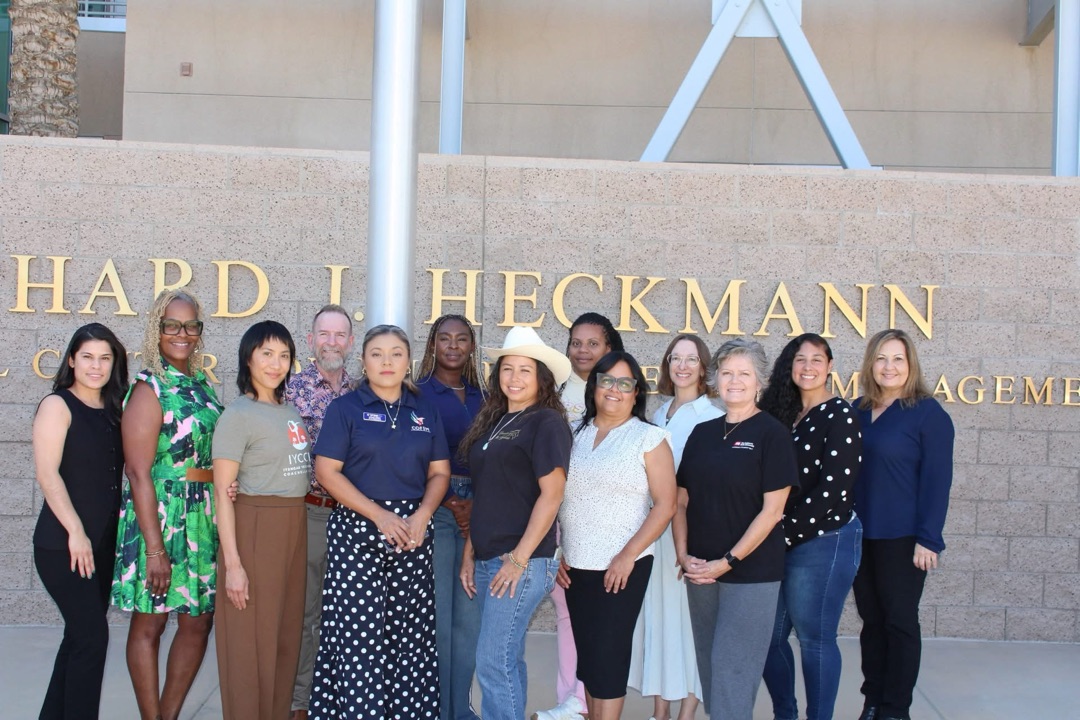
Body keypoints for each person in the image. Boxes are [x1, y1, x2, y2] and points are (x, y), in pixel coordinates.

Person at [310, 324, 450, 720]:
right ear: (363, 360)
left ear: (409, 362)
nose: (386, 362)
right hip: (358, 531)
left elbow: (439, 473)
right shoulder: (346, 408)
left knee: (410, 637)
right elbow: (326, 471)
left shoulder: (426, 410)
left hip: (413, 535)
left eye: (395, 354)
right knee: (359, 638)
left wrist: (422, 514)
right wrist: (379, 515)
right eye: (376, 353)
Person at [112, 290, 223, 720]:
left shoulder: (203, 386)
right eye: (172, 325)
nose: (183, 334)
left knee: (197, 621)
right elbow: (138, 472)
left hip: (203, 518)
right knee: (151, 621)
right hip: (158, 515)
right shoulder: (148, 387)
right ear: (157, 330)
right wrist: (155, 549)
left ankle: (169, 716)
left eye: (191, 325)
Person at [675, 338, 798, 720]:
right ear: (714, 379)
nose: (734, 381)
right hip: (700, 571)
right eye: (727, 372)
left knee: (733, 670)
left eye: (744, 374)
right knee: (712, 670)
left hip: (751, 574)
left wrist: (727, 561)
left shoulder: (772, 434)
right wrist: (683, 554)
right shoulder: (702, 433)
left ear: (759, 381)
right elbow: (680, 500)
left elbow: (772, 512)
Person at [459, 325, 573, 720]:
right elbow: (487, 495)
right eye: (508, 368)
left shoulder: (546, 423)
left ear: (541, 378)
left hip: (523, 560)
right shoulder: (493, 424)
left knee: (492, 660)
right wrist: (470, 553)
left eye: (525, 370)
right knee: (507, 658)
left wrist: (519, 559)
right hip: (492, 557)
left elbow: (552, 494)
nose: (515, 378)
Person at [557, 351, 677, 720]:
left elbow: (666, 505)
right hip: (576, 564)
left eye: (625, 383)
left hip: (622, 566)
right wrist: (559, 551)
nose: (614, 390)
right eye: (607, 380)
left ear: (636, 392)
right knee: (591, 659)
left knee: (608, 659)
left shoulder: (649, 438)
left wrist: (628, 555)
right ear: (594, 387)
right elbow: (559, 498)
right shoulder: (576, 433)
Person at [759, 333, 863, 720]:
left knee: (815, 639)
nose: (807, 367)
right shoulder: (781, 414)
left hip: (825, 540)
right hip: (779, 538)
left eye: (816, 359)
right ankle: (785, 713)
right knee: (768, 638)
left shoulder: (840, 414)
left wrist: (780, 533)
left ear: (830, 366)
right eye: (799, 359)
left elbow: (833, 490)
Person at [852, 329, 954, 720]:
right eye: (881, 358)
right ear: (870, 364)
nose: (888, 366)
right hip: (860, 535)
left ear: (910, 364)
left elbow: (937, 481)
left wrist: (929, 538)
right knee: (871, 622)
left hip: (904, 538)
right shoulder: (857, 409)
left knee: (899, 621)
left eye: (897, 358)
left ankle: (896, 709)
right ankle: (873, 700)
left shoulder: (928, 413)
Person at [212, 321, 310, 720]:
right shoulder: (238, 414)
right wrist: (233, 565)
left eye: (284, 355)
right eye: (267, 354)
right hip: (255, 528)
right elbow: (222, 491)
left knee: (284, 639)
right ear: (248, 357)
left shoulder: (288, 410)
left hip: (293, 527)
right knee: (248, 644)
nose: (276, 364)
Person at [33, 323, 128, 720]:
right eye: (87, 356)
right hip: (63, 545)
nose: (96, 366)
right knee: (92, 640)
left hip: (100, 546)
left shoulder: (114, 410)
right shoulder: (57, 405)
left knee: (78, 639)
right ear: (72, 360)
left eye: (105, 358)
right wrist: (75, 531)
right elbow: (47, 474)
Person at [538, 311, 625, 720]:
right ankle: (571, 699)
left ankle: (582, 700)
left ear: (610, 349)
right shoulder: (551, 395)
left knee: (593, 618)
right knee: (567, 611)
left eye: (593, 343)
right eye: (576, 342)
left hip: (604, 527)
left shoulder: (616, 398)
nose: (583, 350)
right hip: (557, 521)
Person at [628, 333, 720, 720]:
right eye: (675, 358)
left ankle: (687, 712)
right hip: (654, 532)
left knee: (689, 626)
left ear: (703, 368)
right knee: (659, 622)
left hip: (690, 533)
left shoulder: (713, 415)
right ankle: (659, 711)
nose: (682, 366)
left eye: (691, 359)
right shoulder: (657, 410)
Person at [288, 304, 355, 720]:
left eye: (339, 334)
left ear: (350, 341)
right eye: (323, 334)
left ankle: (338, 699)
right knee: (308, 611)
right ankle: (300, 703)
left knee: (349, 612)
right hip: (312, 513)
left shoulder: (363, 391)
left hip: (355, 518)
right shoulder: (291, 390)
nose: (331, 342)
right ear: (310, 340)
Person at [417, 314, 485, 720]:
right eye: (445, 339)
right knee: (439, 619)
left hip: (480, 510)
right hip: (435, 508)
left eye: (462, 339)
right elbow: (410, 456)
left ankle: (461, 709)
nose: (454, 346)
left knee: (469, 621)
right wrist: (445, 502)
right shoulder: (417, 394)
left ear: (472, 347)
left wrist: (474, 505)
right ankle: (436, 710)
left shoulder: (486, 397)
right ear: (433, 345)